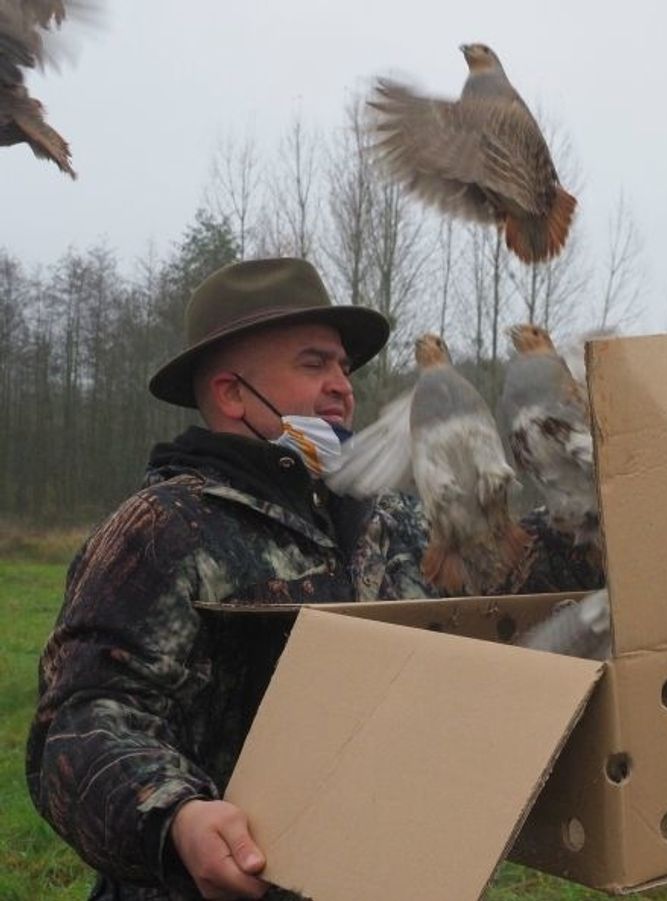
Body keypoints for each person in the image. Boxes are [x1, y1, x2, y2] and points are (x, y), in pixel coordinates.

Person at [26, 257, 602, 900]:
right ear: (232, 393)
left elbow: (504, 579)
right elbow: (76, 726)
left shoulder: (393, 520)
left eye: (344, 369)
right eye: (313, 364)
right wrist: (177, 816)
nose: (343, 386)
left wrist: (598, 517)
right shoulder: (164, 528)